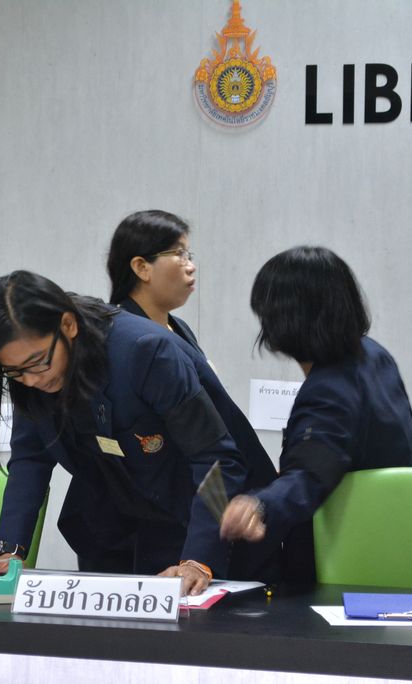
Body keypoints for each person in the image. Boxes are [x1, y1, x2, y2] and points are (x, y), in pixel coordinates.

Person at [0, 270, 256, 595]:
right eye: (15, 372)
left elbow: (215, 459)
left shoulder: (146, 352)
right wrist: (10, 549)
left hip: (206, 525)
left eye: (38, 362)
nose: (31, 380)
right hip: (116, 528)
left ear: (68, 325)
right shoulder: (33, 380)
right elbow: (30, 460)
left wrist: (199, 559)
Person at [219, 246, 412, 582]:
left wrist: (259, 505)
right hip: (400, 538)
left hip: (347, 560)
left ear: (286, 319)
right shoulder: (374, 355)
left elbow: (312, 472)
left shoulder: (328, 389)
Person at [107, 210, 280, 579]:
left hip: (210, 503)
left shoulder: (177, 327)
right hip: (169, 517)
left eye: (190, 254)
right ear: (141, 267)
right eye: (179, 254)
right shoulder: (128, 342)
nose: (191, 265)